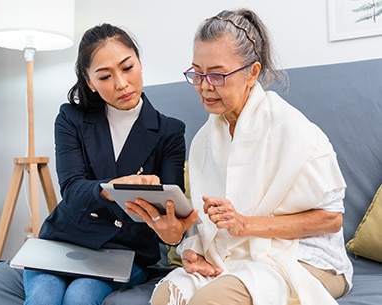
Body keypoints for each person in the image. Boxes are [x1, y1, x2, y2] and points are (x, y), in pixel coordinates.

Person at [126, 9, 353, 305]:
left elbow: (331, 219)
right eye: (197, 73)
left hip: (305, 258)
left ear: (252, 73)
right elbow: (207, 227)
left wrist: (246, 225)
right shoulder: (204, 141)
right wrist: (192, 251)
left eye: (217, 75)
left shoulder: (295, 132)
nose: (205, 86)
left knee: (208, 301)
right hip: (235, 255)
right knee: (168, 296)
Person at [21, 23, 197, 305]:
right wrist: (112, 187)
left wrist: (172, 233)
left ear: (139, 63)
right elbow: (72, 190)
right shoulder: (70, 118)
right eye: (105, 76)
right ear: (90, 82)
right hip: (63, 242)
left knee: (80, 296)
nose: (121, 84)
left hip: (125, 251)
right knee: (42, 298)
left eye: (127, 68)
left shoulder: (170, 132)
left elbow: (170, 208)